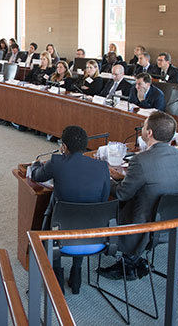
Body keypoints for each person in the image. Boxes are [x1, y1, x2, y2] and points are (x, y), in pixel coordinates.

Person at [99, 111, 178, 280]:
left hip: (142, 223)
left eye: (144, 125)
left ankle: (127, 262)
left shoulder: (140, 161)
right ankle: (133, 259)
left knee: (105, 205)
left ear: (149, 133)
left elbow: (121, 194)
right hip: (173, 220)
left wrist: (105, 177)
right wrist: (126, 177)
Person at [30, 125, 110, 292]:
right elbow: (102, 200)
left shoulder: (56, 162)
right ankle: (77, 273)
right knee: (84, 214)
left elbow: (37, 176)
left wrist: (36, 164)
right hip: (92, 238)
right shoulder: (102, 167)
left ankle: (57, 273)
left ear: (64, 147)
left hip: (61, 235)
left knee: (57, 209)